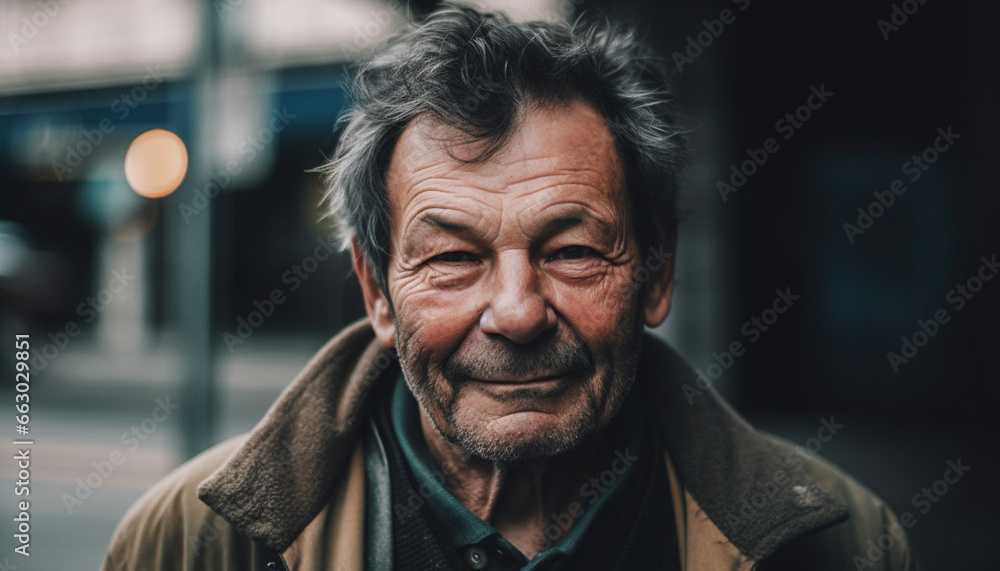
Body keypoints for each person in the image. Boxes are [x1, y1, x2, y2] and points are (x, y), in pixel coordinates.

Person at [102, 5, 916, 570]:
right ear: (377, 292)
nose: (518, 312)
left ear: (657, 273)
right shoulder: (189, 544)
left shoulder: (844, 544)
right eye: (454, 258)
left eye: (571, 250)